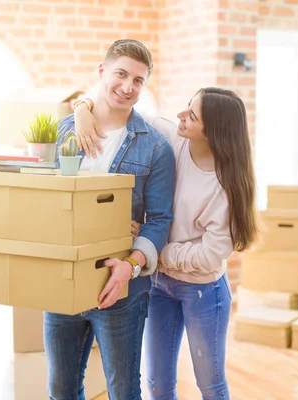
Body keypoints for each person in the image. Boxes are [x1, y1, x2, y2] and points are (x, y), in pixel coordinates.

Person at [75, 87, 259, 400]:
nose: (180, 116)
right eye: (187, 106)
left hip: (203, 291)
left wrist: (151, 248)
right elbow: (123, 107)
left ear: (213, 131)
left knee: (210, 385)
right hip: (160, 285)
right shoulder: (173, 138)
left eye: (192, 114)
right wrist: (81, 108)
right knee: (158, 385)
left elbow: (210, 255)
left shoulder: (227, 188)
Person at [44, 39, 176, 400]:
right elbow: (45, 200)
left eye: (138, 81)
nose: (128, 87)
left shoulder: (156, 147)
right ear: (102, 72)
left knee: (123, 392)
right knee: (61, 390)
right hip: (63, 283)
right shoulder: (63, 131)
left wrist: (130, 266)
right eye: (121, 74)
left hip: (122, 291)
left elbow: (160, 220)